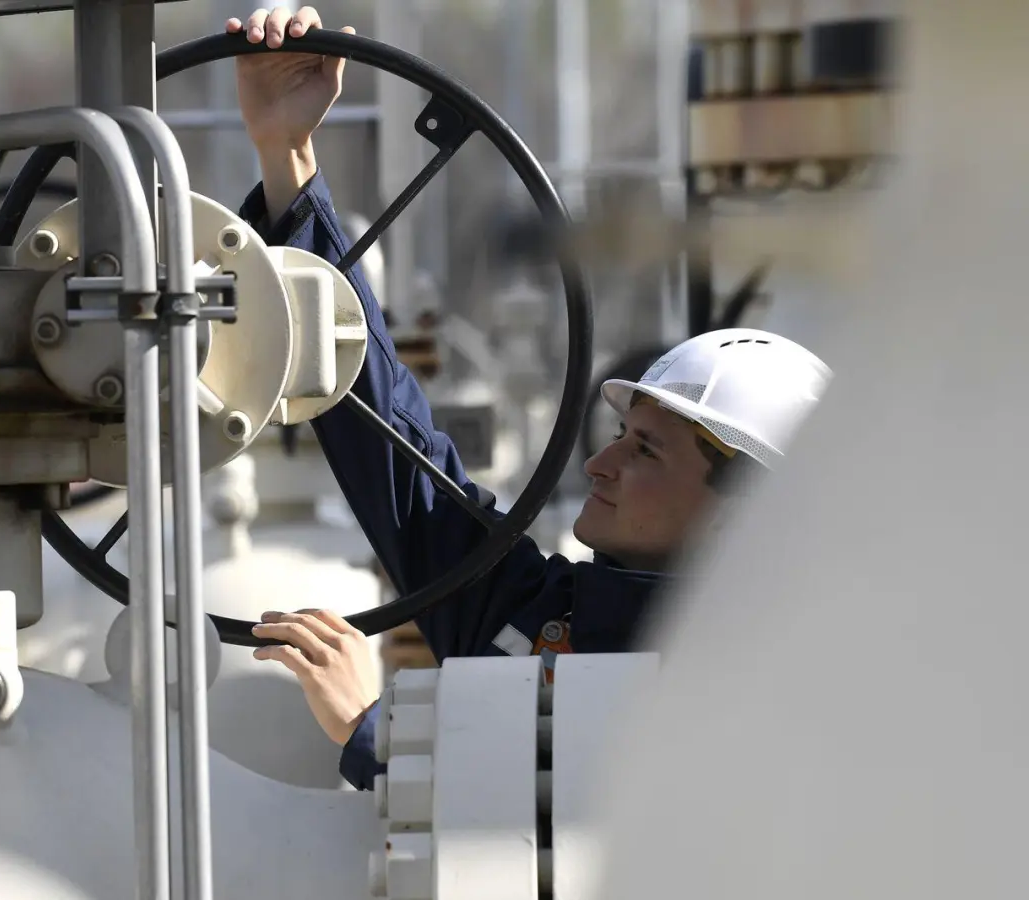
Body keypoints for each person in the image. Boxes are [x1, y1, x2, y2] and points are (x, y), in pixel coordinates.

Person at [226, 7, 833, 791]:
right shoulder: (540, 614)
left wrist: (374, 731)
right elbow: (389, 435)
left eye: (646, 449)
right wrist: (288, 152)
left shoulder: (743, 703)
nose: (602, 461)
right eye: (624, 432)